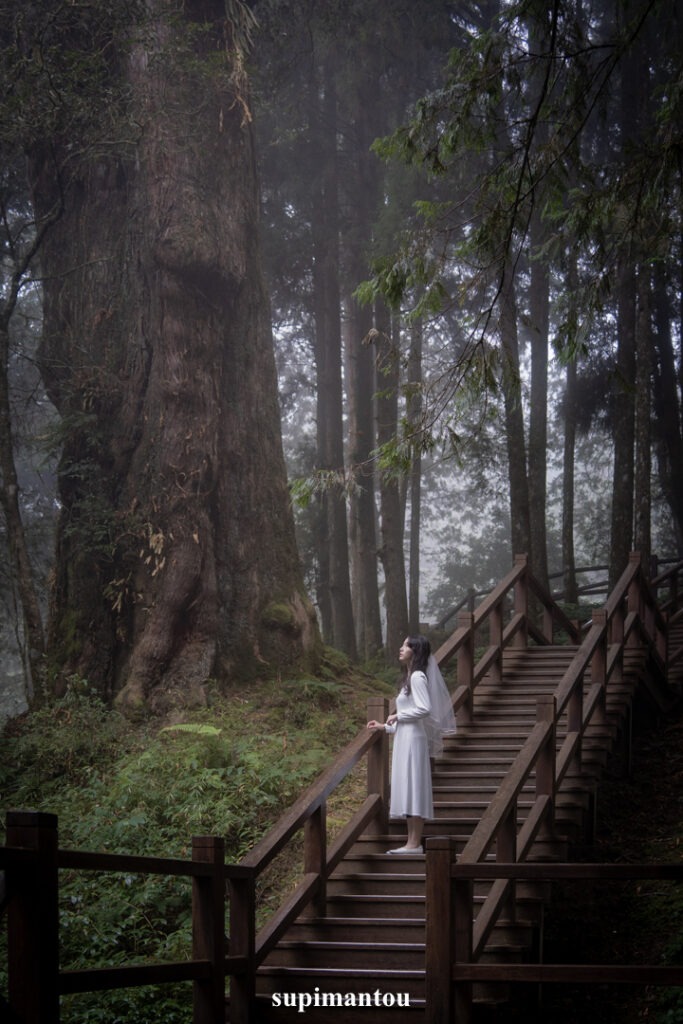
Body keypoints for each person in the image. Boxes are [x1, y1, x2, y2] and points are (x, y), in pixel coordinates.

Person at [367, 635, 456, 855]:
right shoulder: (410, 676)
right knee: (408, 786)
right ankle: (411, 843)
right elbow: (411, 717)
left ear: (415, 651)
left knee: (414, 786)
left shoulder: (417, 676)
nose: (400, 648)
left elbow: (425, 709)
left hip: (414, 741)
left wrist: (398, 716)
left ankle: (414, 844)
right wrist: (383, 726)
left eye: (405, 645)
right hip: (405, 738)